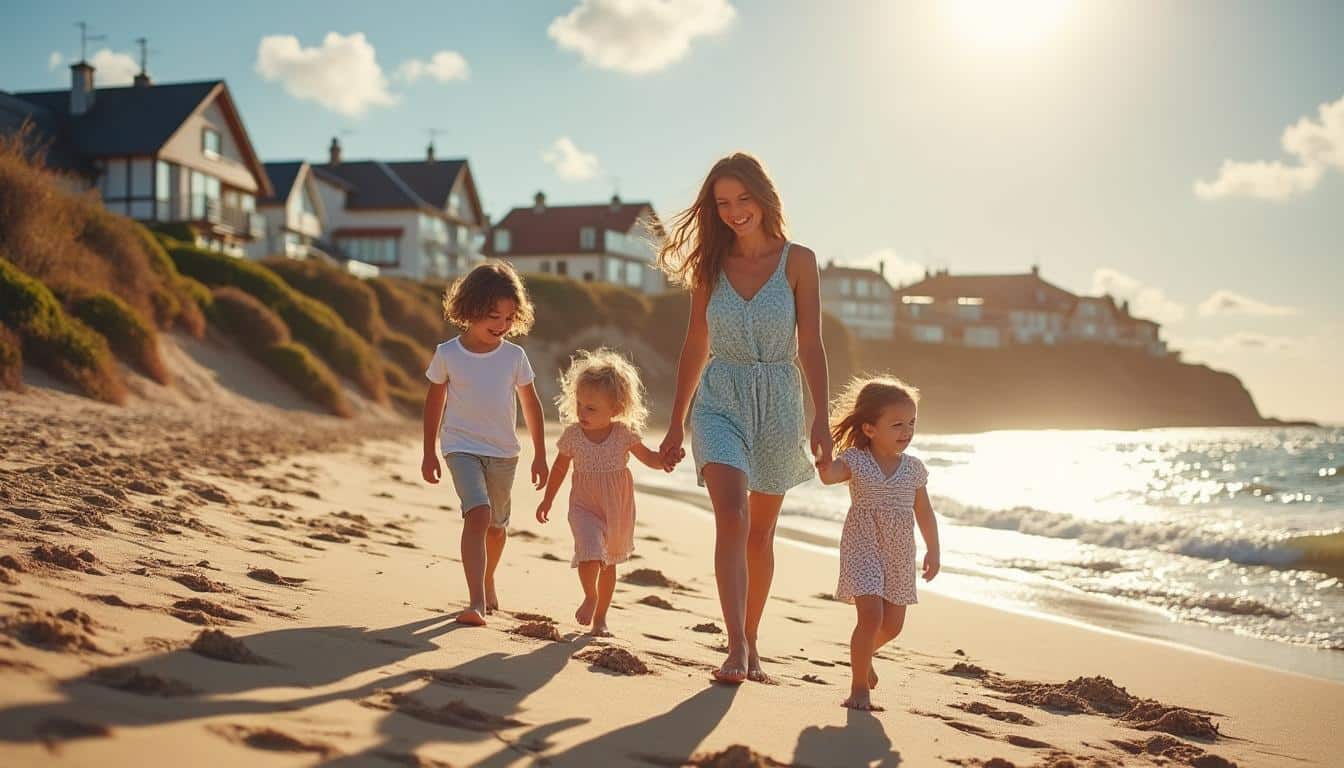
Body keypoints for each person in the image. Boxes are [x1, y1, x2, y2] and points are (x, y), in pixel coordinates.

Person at [656, 152, 832, 683]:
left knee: (761, 534)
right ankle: (734, 647)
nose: (734, 212)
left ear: (764, 196)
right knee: (732, 515)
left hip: (780, 401)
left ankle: (753, 640)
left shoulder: (798, 261)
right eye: (723, 203)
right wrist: (675, 422)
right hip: (720, 399)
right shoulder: (709, 266)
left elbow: (812, 344)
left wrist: (821, 417)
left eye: (743, 199)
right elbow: (694, 344)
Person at [421, 262, 548, 626]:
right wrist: (430, 450)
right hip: (460, 446)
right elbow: (434, 402)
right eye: (494, 315)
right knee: (477, 514)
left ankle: (488, 577)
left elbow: (531, 405)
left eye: (509, 317)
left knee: (496, 526)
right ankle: (476, 600)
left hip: (504, 453)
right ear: (470, 309)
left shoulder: (513, 357)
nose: (502, 325)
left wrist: (540, 454)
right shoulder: (448, 354)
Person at [817, 376, 941, 711]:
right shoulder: (856, 460)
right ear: (870, 429)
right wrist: (824, 461)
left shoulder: (914, 469)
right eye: (897, 424)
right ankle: (859, 688)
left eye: (912, 423)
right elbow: (830, 477)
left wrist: (934, 548)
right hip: (863, 546)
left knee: (893, 625)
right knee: (870, 617)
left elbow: (925, 513)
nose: (907, 431)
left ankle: (863, 654)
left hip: (900, 553)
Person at [536, 348, 668, 636]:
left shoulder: (623, 435)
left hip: (616, 509)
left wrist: (666, 460)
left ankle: (600, 619)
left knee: (608, 565)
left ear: (616, 410)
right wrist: (547, 500)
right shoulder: (573, 435)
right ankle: (590, 596)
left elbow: (651, 459)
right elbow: (559, 469)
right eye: (580, 404)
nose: (582, 412)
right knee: (589, 553)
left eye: (591, 408)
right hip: (583, 507)